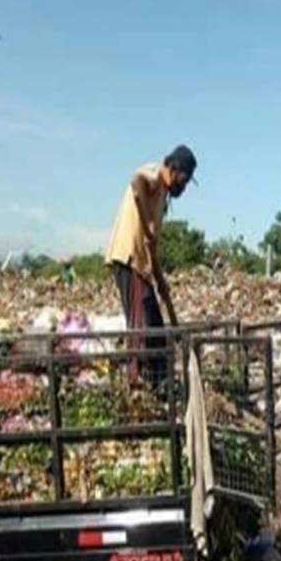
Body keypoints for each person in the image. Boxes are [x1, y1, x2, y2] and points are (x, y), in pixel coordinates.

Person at [104, 144, 197, 384]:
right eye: (183, 180)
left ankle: (159, 386)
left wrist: (161, 281)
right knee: (141, 326)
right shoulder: (155, 172)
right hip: (128, 259)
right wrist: (146, 227)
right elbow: (136, 184)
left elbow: (152, 246)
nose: (183, 188)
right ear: (173, 168)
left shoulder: (162, 197)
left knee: (156, 328)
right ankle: (135, 386)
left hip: (142, 267)